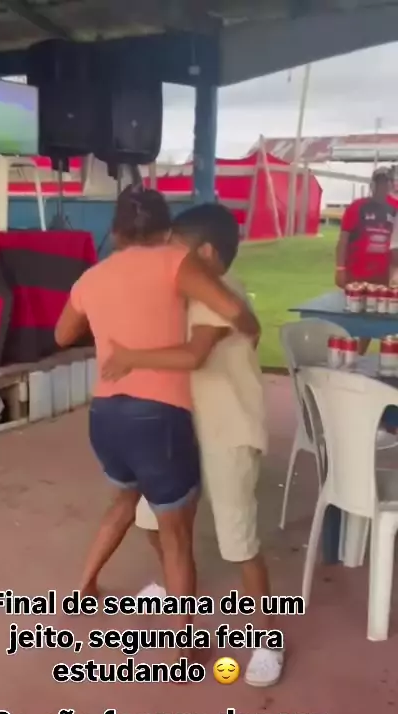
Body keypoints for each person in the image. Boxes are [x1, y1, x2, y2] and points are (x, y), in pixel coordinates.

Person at [54, 187, 259, 640]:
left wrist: (115, 332)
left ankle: (86, 585)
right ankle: (184, 644)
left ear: (115, 231)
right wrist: (251, 327)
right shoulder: (176, 265)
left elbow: (62, 335)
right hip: (159, 420)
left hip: (109, 416)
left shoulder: (94, 277)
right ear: (165, 231)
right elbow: (229, 311)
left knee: (129, 502)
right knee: (175, 535)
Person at [101, 203, 283, 688]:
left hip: (228, 430)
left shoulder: (219, 292)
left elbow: (195, 355)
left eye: (176, 249)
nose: (168, 258)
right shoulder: (185, 289)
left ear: (205, 254)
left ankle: (267, 639)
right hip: (181, 424)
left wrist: (131, 357)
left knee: (238, 540)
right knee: (153, 518)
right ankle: (176, 586)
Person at [335, 167, 396, 290]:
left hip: (384, 275)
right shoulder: (357, 206)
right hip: (356, 274)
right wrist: (340, 268)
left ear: (391, 186)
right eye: (379, 183)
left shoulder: (395, 207)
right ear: (372, 185)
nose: (382, 187)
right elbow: (343, 239)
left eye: (385, 183)